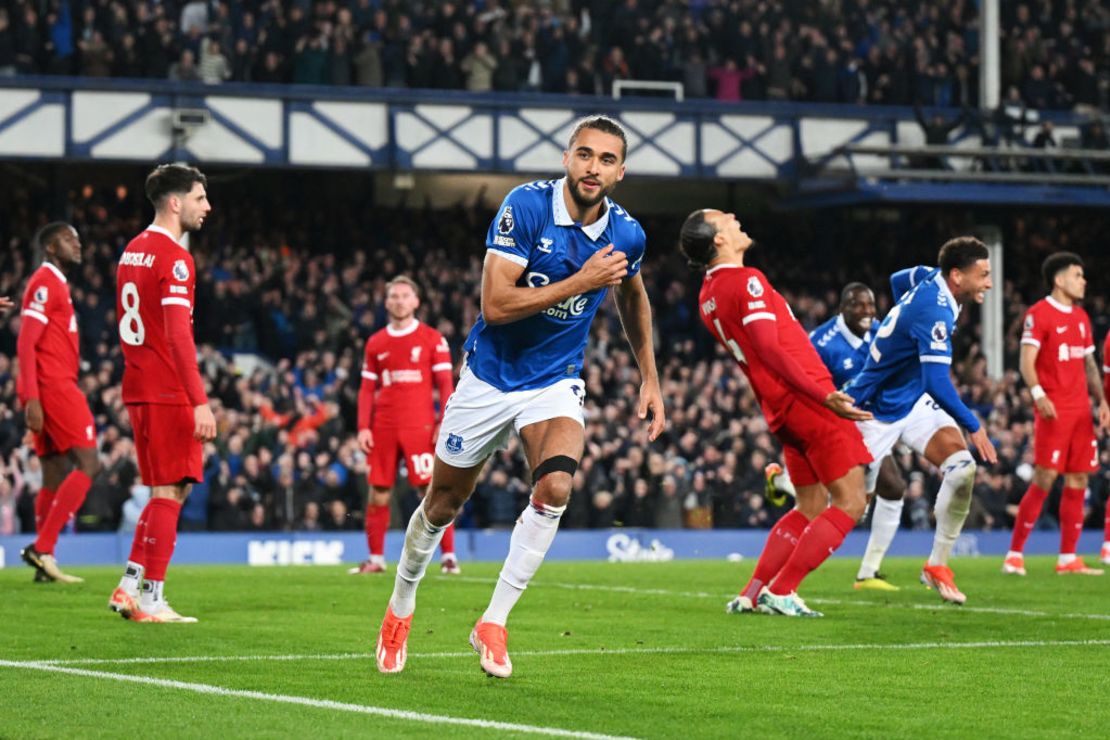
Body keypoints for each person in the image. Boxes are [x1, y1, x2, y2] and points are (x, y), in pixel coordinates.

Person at [374, 115, 664, 678]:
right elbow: (496, 306)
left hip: (554, 380)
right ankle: (400, 605)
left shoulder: (628, 234)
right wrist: (580, 282)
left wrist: (650, 377)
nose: (593, 167)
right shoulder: (525, 208)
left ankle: (494, 621)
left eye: (606, 160)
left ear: (620, 172)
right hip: (488, 378)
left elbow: (633, 297)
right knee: (442, 505)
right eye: (584, 155)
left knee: (555, 486)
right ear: (566, 158)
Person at [681, 209, 872, 619]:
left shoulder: (708, 295)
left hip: (780, 409)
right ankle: (782, 590)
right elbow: (769, 349)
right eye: (724, 218)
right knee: (852, 501)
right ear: (718, 239)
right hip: (806, 401)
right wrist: (823, 394)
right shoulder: (746, 281)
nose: (733, 217)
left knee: (810, 505)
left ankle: (752, 591)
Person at [845, 238, 998, 605]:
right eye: (984, 275)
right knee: (849, 509)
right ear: (958, 276)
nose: (990, 283)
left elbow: (899, 280)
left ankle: (937, 565)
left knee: (962, 469)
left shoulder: (930, 276)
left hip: (912, 401)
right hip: (875, 410)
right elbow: (937, 383)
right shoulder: (937, 311)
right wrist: (973, 424)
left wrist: (904, 328)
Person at [107, 164, 217, 623]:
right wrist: (199, 400)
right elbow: (177, 337)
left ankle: (134, 588)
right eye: (199, 197)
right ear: (175, 202)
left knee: (162, 490)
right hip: (169, 390)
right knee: (172, 491)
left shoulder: (132, 251)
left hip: (138, 386)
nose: (206, 206)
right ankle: (145, 593)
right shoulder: (175, 258)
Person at [763, 282, 908, 592]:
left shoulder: (880, 333)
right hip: (831, 422)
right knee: (841, 503)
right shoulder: (822, 342)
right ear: (843, 308)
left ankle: (867, 571)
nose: (868, 312)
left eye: (871, 305)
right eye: (860, 305)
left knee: (888, 489)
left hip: (869, 422)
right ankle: (784, 587)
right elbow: (801, 379)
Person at [1004, 252, 1108, 576]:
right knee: (1045, 477)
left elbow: (1089, 364)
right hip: (1054, 410)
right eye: (1078, 275)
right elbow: (1026, 361)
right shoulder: (1039, 314)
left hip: (1080, 412)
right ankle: (1014, 554)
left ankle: (1067, 558)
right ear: (1059, 280)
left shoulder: (1081, 318)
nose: (1083, 281)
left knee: (1079, 478)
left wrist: (1102, 401)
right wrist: (1038, 394)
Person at [349, 275, 459, 576]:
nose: (399, 301)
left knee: (433, 492)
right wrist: (363, 427)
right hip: (383, 426)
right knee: (378, 493)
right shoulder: (376, 343)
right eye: (394, 296)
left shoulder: (432, 339)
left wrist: (443, 422)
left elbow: (446, 386)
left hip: (420, 426)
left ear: (416, 301)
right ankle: (376, 559)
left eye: (404, 296)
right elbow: (367, 390)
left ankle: (449, 556)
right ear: (386, 303)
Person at [17, 222, 101, 584]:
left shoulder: (55, 284)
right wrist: (32, 398)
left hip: (51, 387)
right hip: (55, 388)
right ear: (51, 247)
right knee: (89, 463)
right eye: (69, 239)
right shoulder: (46, 281)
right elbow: (25, 342)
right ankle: (43, 546)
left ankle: (44, 565)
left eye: (78, 239)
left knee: (53, 473)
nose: (77, 244)